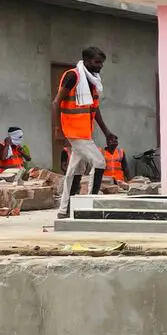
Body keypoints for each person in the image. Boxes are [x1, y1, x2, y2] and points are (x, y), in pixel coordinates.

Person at [55, 46, 116, 217]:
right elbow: (55, 103)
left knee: (74, 170)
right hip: (74, 132)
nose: (100, 66)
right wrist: (58, 130)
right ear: (87, 61)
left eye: (101, 63)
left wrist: (107, 132)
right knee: (99, 162)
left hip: (84, 133)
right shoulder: (72, 75)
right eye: (97, 62)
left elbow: (94, 110)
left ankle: (64, 210)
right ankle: (90, 206)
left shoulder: (93, 81)